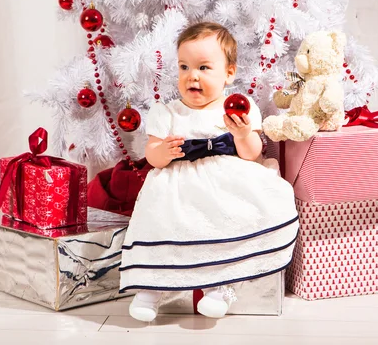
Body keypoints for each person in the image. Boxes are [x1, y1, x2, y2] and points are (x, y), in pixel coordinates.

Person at [119, 22, 299, 322]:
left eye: (204, 67)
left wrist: (242, 135)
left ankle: (224, 284)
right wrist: (163, 152)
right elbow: (152, 154)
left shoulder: (236, 109)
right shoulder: (168, 112)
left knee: (231, 218)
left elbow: (253, 153)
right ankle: (151, 287)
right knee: (161, 220)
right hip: (176, 185)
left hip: (225, 180)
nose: (193, 76)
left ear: (228, 73)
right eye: (184, 67)